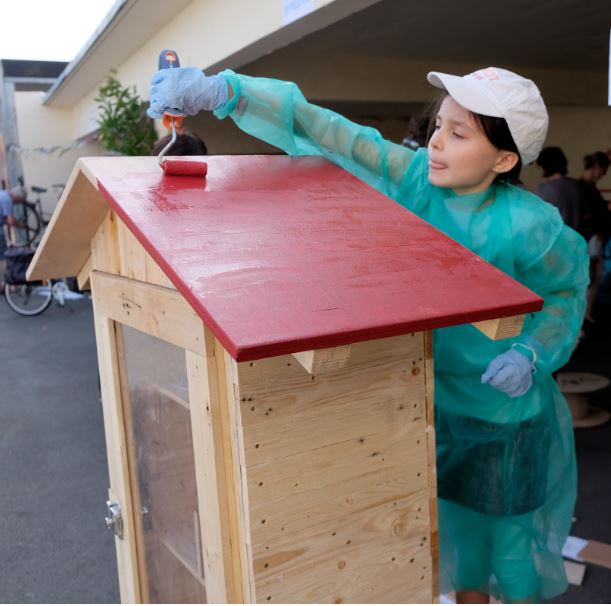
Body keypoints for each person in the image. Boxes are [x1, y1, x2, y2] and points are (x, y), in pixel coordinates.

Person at [147, 65, 588, 603]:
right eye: (438, 127)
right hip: (439, 402)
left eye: (459, 133)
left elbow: (567, 292)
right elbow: (334, 134)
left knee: (513, 552)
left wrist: (532, 353)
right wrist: (230, 93)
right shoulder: (414, 182)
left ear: (503, 159)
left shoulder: (530, 223)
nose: (436, 144)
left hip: (510, 418)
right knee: (463, 544)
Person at [536, 146, 594, 239]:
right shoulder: (579, 186)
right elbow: (587, 216)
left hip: (555, 244)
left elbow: (538, 221)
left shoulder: (543, 189)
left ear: (545, 166)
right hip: (577, 242)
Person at [0, 186, 26, 290]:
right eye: (20, 201)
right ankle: (10, 285)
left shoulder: (2, 194)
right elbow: (10, 221)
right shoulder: (7, 199)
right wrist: (20, 225)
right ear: (17, 196)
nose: (18, 203)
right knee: (4, 256)